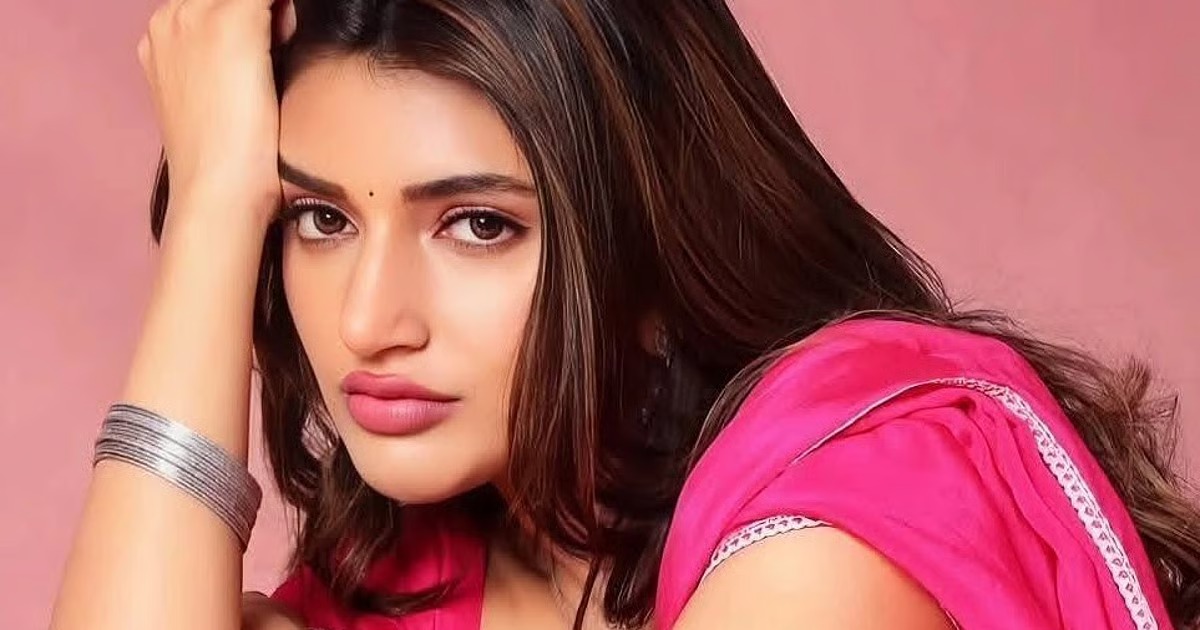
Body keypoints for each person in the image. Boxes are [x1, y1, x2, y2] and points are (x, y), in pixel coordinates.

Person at [50, 0, 1200, 628]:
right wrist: (212, 206)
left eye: (478, 225)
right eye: (317, 219)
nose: (368, 321)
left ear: (655, 243)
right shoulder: (423, 576)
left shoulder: (840, 515)